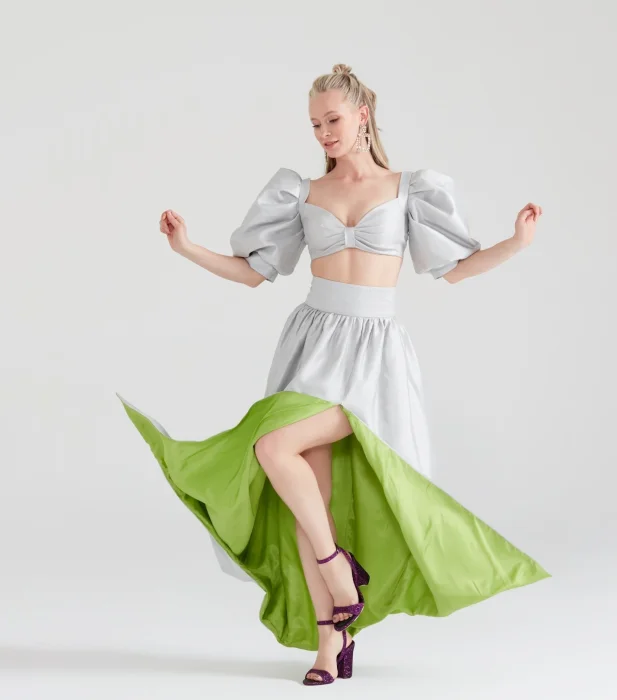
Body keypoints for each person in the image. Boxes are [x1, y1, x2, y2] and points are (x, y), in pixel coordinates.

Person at [117, 63, 549, 686]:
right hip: (312, 345)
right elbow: (253, 271)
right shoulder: (302, 192)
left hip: (373, 356)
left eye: (333, 120)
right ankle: (331, 641)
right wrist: (188, 248)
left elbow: (454, 268)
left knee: (274, 447)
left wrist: (517, 243)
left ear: (362, 115)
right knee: (305, 495)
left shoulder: (409, 189)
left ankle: (338, 570)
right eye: (315, 124)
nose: (324, 133)